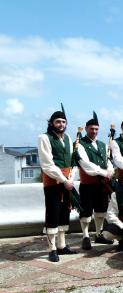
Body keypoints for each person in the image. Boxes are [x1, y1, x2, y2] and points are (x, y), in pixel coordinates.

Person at [37, 104, 78, 262]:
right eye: (58, 122)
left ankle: (61, 246)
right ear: (51, 123)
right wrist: (64, 179)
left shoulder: (67, 138)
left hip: (67, 181)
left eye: (63, 122)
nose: (61, 124)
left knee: (64, 212)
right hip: (53, 182)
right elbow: (47, 165)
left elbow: (72, 160)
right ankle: (52, 248)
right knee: (53, 213)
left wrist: (71, 178)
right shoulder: (44, 138)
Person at [76, 111, 115, 250]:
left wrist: (110, 170)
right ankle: (85, 236)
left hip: (102, 185)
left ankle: (99, 234)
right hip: (87, 184)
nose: (94, 131)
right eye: (92, 129)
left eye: (96, 129)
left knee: (101, 211)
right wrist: (103, 172)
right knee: (86, 212)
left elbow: (107, 161)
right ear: (86, 129)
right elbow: (86, 165)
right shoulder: (80, 145)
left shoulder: (102, 145)